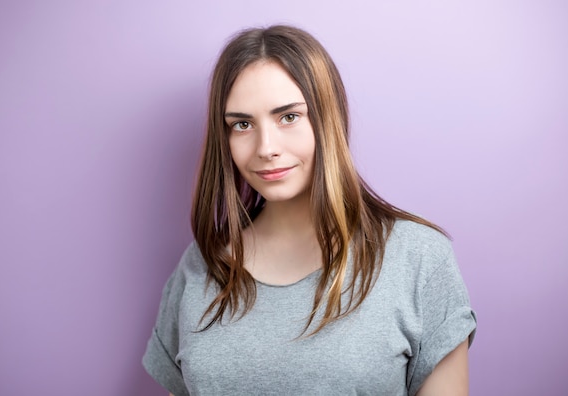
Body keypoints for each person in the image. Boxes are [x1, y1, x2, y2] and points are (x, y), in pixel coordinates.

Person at [142, 25, 477, 396]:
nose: (266, 147)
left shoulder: (419, 259)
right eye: (242, 124)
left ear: (327, 117)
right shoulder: (200, 266)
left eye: (289, 117)